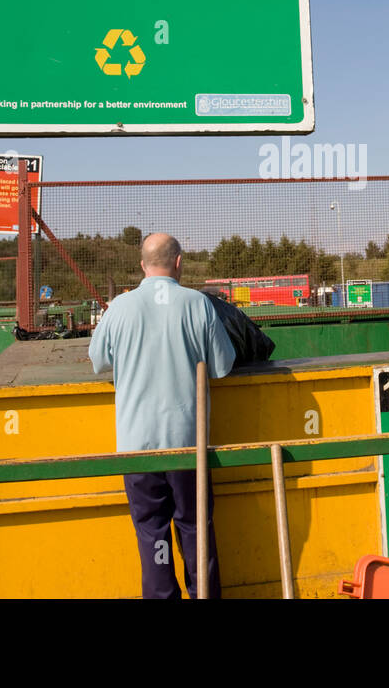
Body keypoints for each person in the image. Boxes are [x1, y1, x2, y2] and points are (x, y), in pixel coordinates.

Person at [88, 232, 236, 598]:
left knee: (152, 531)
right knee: (195, 527)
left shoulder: (119, 307)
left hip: (137, 446)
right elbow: (223, 366)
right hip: (188, 444)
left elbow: (98, 362)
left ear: (142, 265)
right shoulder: (198, 304)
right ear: (179, 262)